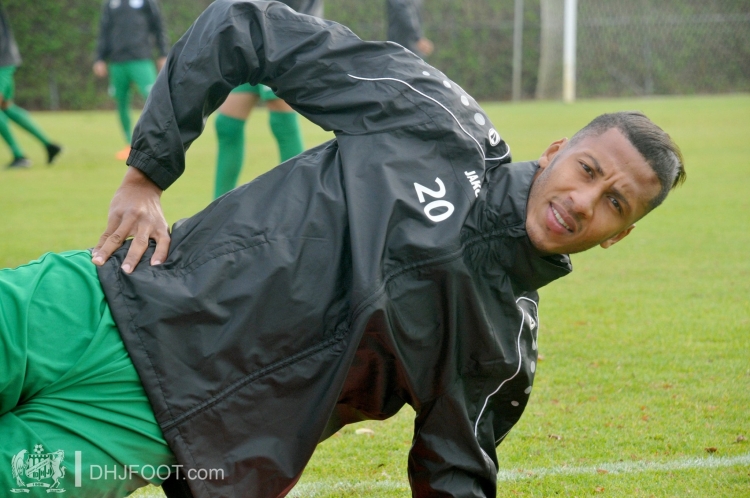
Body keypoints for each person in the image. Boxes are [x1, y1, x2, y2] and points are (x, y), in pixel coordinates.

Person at [2, 1, 684, 497]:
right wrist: (146, 173)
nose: (583, 201)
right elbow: (244, 25)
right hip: (97, 295)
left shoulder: (498, 343)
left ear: (617, 235)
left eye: (614, 204)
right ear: (558, 151)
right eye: (587, 170)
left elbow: (455, 473)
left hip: (141, 424)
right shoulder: (438, 121)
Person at [212, 0, 323, 199]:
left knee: (282, 121)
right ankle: (217, 207)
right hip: (249, 36)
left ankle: (297, 203)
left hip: (283, 33)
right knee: (227, 125)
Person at [93, 0, 169, 160]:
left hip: (141, 58)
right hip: (117, 61)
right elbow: (104, 30)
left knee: (154, 99)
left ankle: (159, 142)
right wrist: (99, 58)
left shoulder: (146, 2)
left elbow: (158, 25)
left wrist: (163, 53)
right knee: (121, 102)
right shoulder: (111, 3)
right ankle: (129, 145)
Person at [0, 3, 62, 169]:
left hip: (2, 62)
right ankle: (49, 145)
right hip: (6, 61)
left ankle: (19, 156)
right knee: (6, 107)